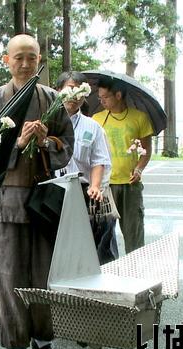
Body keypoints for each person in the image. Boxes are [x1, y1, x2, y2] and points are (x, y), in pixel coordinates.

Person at [0, 34, 73, 349]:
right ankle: (16, 346)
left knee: (44, 275)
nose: (24, 64)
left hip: (44, 200)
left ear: (39, 60)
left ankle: (44, 342)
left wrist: (47, 141)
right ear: (6, 60)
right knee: (9, 276)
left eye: (31, 57)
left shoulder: (52, 99)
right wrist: (18, 143)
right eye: (18, 57)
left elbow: (67, 144)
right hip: (7, 200)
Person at [55, 71, 117, 265]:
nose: (75, 95)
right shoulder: (48, 122)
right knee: (59, 243)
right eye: (70, 88)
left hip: (83, 192)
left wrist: (96, 186)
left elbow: (99, 160)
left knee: (89, 242)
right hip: (54, 191)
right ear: (58, 91)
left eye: (80, 90)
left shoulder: (93, 127)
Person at [92, 77, 153, 254]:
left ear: (118, 95)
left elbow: (146, 150)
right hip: (104, 186)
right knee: (103, 235)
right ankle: (105, 272)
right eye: (99, 98)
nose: (102, 101)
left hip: (130, 185)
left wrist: (139, 168)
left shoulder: (139, 118)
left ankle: (136, 272)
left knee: (134, 234)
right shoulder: (96, 119)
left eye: (105, 97)